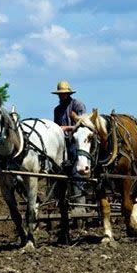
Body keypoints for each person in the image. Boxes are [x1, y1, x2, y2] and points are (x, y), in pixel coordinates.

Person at [52, 80, 88, 219]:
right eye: (60, 94)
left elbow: (84, 125)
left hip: (76, 142)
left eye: (64, 93)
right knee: (57, 170)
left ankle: (80, 205)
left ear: (68, 93)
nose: (62, 96)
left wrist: (67, 128)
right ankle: (60, 201)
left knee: (76, 171)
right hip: (62, 143)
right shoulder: (57, 109)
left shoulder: (77, 105)